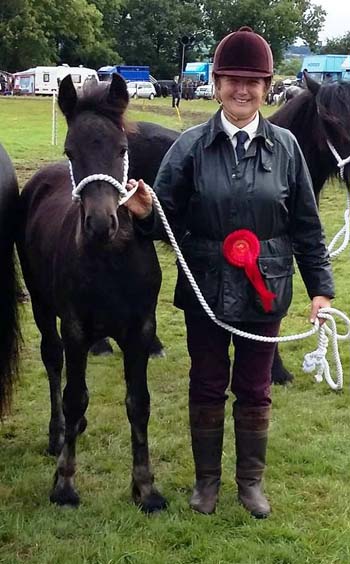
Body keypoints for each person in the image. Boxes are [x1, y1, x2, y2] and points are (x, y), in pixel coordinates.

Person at [125, 26, 334, 518]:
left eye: (253, 81)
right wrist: (144, 213)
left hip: (268, 290)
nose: (243, 90)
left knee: (256, 387)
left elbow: (306, 225)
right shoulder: (191, 147)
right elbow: (168, 220)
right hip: (205, 288)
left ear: (266, 86)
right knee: (207, 382)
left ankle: (251, 484)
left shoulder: (285, 148)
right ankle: (207, 484)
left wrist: (321, 289)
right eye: (232, 79)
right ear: (216, 83)